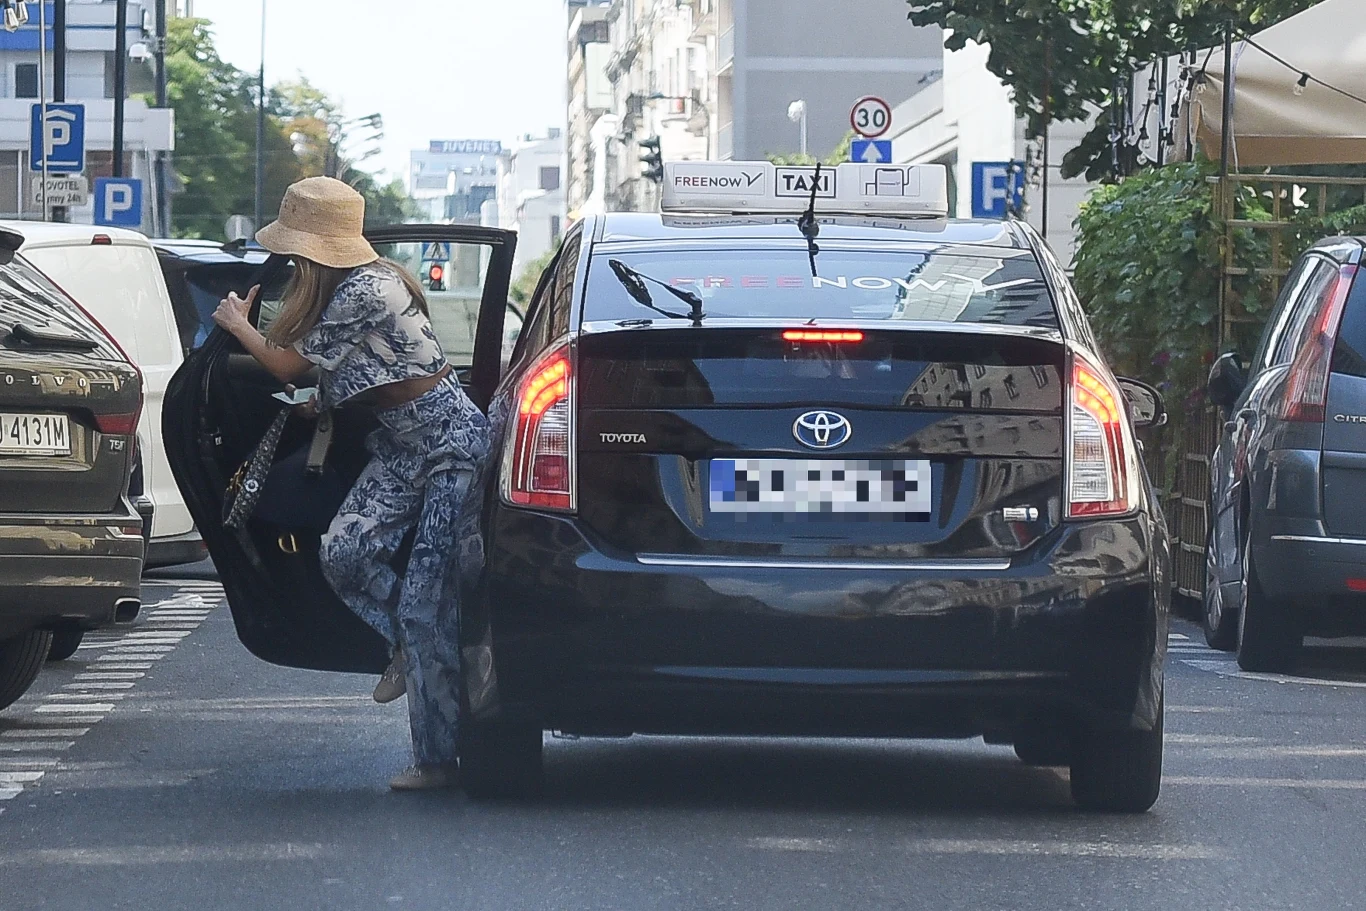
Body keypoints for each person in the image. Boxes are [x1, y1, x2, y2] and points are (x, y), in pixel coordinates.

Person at [212, 177, 490, 791]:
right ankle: (403, 647)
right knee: (343, 552)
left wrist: (238, 323)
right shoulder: (356, 290)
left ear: (312, 251)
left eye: (293, 253)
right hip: (398, 447)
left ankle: (437, 760)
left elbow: (285, 362)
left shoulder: (367, 288)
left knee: (425, 605)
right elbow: (363, 372)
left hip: (447, 447)